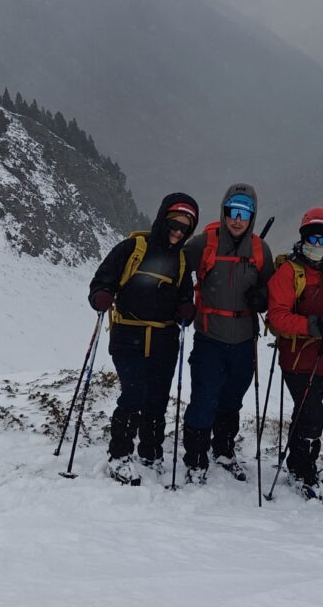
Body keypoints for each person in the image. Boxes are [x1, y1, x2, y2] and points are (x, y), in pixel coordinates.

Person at [88, 192, 199, 486]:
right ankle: (119, 455)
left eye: (185, 228)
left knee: (158, 398)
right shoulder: (132, 248)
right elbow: (102, 279)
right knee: (134, 392)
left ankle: (151, 451)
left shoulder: (182, 262)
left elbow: (185, 295)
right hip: (128, 335)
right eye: (173, 225)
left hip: (164, 338)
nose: (177, 232)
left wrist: (187, 309)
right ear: (162, 220)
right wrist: (101, 295)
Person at [181, 184, 274, 485]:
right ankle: (195, 458)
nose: (237, 220)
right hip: (210, 337)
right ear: (224, 213)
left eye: (244, 214)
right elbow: (177, 269)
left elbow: (273, 288)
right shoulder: (204, 244)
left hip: (245, 340)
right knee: (204, 398)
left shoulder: (261, 250)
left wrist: (262, 296)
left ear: (252, 217)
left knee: (232, 398)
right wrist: (181, 303)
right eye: (232, 212)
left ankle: (223, 450)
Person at [266, 207, 323, 503]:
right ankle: (302, 469)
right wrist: (315, 325)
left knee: (306, 411)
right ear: (303, 237)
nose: (317, 244)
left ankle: (300, 464)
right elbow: (277, 317)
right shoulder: (289, 272)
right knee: (312, 415)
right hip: (296, 358)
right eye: (312, 237)